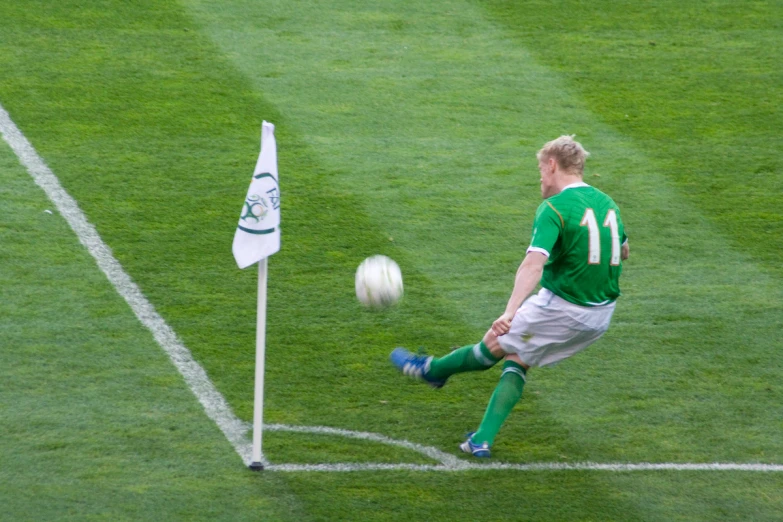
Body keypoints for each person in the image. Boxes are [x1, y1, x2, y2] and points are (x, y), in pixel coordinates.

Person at [390, 135, 629, 458]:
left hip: (564, 308)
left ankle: (432, 370)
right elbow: (624, 250)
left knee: (493, 344)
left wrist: (509, 311)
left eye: (540, 171)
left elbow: (533, 264)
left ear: (552, 165)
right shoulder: (607, 204)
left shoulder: (555, 208)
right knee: (519, 356)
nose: (540, 178)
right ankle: (480, 439)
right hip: (601, 315)